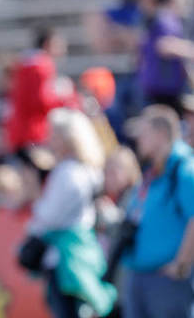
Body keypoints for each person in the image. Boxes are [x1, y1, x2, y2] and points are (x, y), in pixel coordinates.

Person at [20, 108, 116, 318]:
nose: (49, 138)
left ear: (67, 138)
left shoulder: (68, 172)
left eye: (54, 134)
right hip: (80, 251)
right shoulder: (87, 170)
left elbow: (49, 216)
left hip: (65, 259)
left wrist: (36, 200)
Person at [120, 104, 194, 318]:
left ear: (161, 134)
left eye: (144, 133)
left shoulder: (184, 169)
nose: (139, 140)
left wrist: (180, 264)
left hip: (166, 281)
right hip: (140, 275)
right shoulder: (153, 171)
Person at [4, 27, 78, 153]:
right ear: (48, 44)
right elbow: (41, 101)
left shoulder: (25, 64)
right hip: (34, 133)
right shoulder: (41, 65)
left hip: (20, 131)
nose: (63, 50)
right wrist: (65, 99)